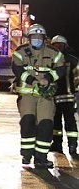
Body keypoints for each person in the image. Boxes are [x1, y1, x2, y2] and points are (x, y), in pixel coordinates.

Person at [11, 24, 66, 169]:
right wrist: (33, 81)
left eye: (39, 37)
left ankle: (41, 157)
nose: (37, 39)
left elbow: (61, 68)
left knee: (46, 124)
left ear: (44, 38)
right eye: (34, 36)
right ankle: (27, 155)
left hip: (45, 96)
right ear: (29, 38)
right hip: (27, 95)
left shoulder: (53, 52)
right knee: (27, 122)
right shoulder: (20, 52)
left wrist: (48, 78)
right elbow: (17, 69)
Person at [49, 34, 78, 156]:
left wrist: (77, 92)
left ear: (65, 46)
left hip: (68, 97)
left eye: (60, 45)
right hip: (53, 97)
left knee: (70, 122)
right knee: (56, 123)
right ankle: (57, 145)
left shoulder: (72, 60)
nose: (58, 47)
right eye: (55, 45)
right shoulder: (49, 59)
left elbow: (77, 77)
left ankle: (72, 146)